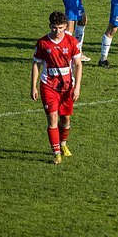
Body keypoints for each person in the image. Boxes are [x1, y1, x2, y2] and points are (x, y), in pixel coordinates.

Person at [31, 11, 83, 164]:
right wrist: (33, 86)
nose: (57, 31)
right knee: (52, 118)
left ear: (65, 26)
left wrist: (77, 87)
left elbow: (78, 65)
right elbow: (36, 64)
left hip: (67, 87)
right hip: (48, 86)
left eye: (60, 28)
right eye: (54, 28)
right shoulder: (42, 43)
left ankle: (63, 144)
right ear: (50, 26)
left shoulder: (72, 41)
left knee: (65, 118)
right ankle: (56, 153)